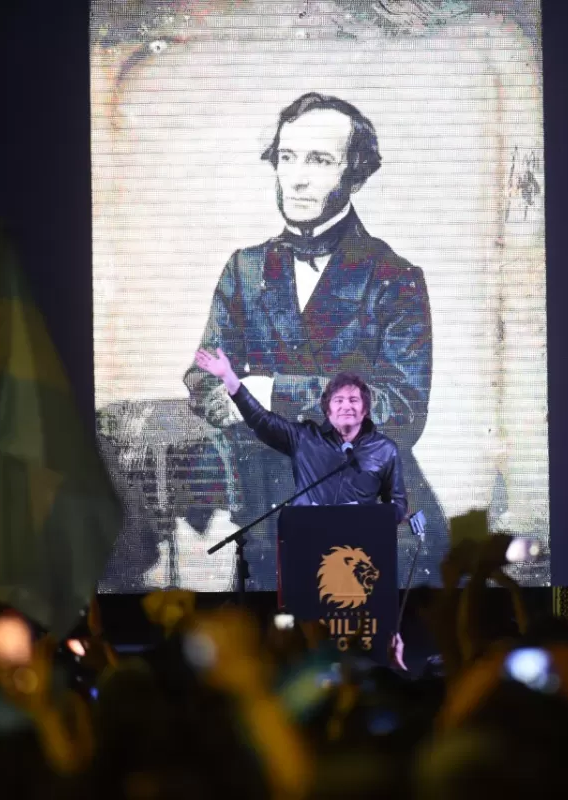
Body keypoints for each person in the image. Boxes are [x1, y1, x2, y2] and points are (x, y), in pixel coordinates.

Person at [182, 92, 445, 589]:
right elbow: (203, 375)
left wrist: (275, 393)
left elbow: (404, 411)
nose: (297, 177)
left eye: (320, 160)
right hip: (267, 515)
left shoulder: (394, 276)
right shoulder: (245, 269)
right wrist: (226, 397)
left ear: (357, 174)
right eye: (287, 157)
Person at [193, 352, 406, 523]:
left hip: (360, 549)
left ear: (366, 409)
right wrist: (231, 380)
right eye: (338, 401)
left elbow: (397, 505)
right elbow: (260, 419)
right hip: (308, 541)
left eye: (353, 400)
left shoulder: (385, 449)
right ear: (327, 410)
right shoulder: (305, 439)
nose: (346, 407)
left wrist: (366, 516)